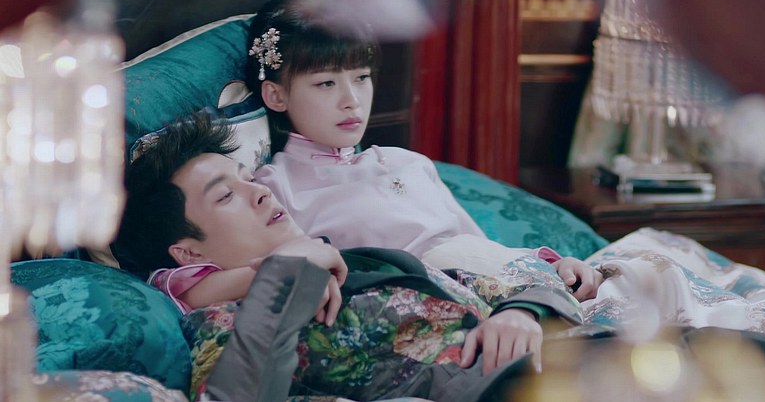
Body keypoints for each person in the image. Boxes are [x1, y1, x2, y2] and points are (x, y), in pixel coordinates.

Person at [111, 112, 586, 402]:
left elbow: (511, 279)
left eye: (248, 178)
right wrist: (287, 276)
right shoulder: (226, 320)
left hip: (578, 358)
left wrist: (522, 312)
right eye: (225, 195)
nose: (259, 192)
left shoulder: (365, 257)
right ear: (187, 253)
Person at [245, 0, 604, 301]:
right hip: (427, 307)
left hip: (499, 287)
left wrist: (555, 264)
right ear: (276, 95)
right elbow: (260, 280)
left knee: (631, 274)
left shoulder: (408, 163)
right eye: (326, 83)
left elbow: (479, 248)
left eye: (362, 78)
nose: (352, 100)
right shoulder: (273, 189)